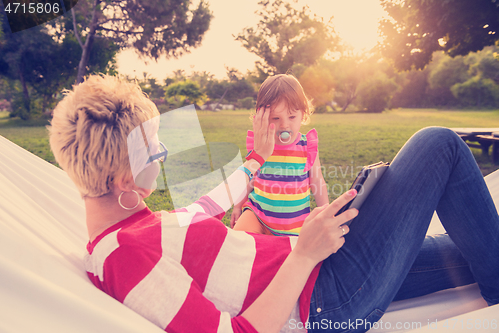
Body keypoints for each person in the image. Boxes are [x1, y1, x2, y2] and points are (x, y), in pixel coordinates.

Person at [49, 74, 499, 333]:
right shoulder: (124, 256)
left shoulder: (138, 225)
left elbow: (206, 206)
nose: (166, 155)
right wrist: (303, 252)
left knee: (468, 249)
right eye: (157, 150)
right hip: (326, 298)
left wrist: (258, 159)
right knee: (437, 145)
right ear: (124, 177)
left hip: (327, 269)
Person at [230, 74, 329, 236]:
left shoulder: (307, 146)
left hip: (294, 223)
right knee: (238, 242)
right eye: (275, 118)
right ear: (262, 118)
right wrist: (237, 205)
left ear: (303, 114)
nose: (284, 125)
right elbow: (249, 176)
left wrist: (325, 212)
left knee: (285, 257)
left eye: (292, 117)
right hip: (257, 214)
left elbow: (317, 180)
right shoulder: (261, 144)